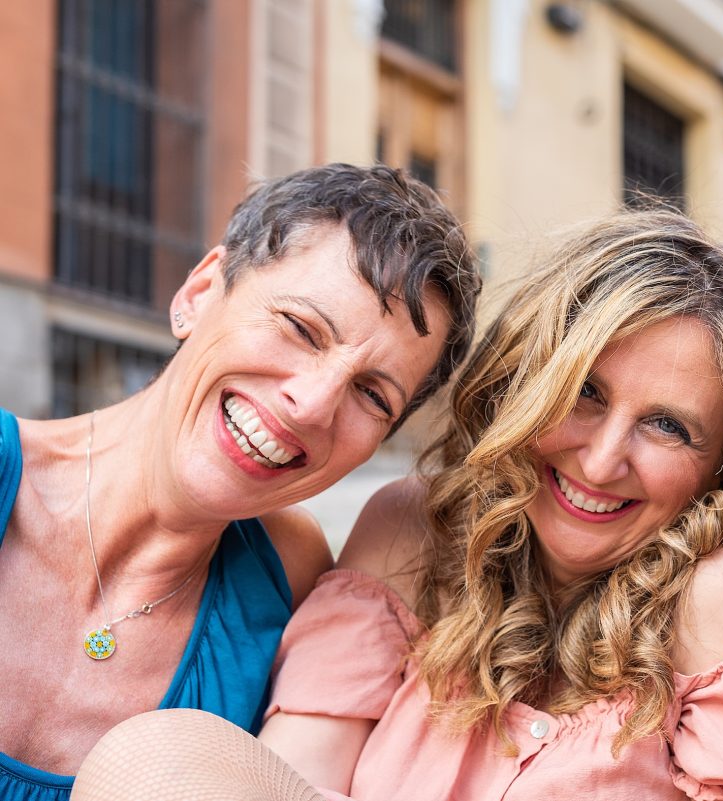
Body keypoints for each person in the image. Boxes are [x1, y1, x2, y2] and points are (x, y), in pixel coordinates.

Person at [70, 210, 723, 801]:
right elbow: (292, 776)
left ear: (722, 465)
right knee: (155, 761)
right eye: (582, 393)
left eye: (668, 426)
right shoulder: (413, 531)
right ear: (520, 386)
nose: (604, 458)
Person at [0, 163, 480, 801]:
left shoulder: (293, 581)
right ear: (198, 293)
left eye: (371, 394)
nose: (311, 405)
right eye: (301, 328)